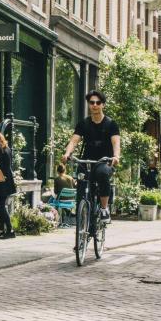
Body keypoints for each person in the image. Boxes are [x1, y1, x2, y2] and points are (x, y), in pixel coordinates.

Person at [61, 90, 121, 222]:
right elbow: (74, 141)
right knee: (81, 182)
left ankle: (104, 209)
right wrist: (67, 153)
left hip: (105, 161)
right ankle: (83, 213)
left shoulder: (111, 124)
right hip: (86, 160)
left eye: (98, 102)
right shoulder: (84, 123)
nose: (95, 105)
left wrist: (116, 156)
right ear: (89, 104)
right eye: (92, 102)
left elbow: (116, 142)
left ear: (103, 105)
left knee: (103, 174)